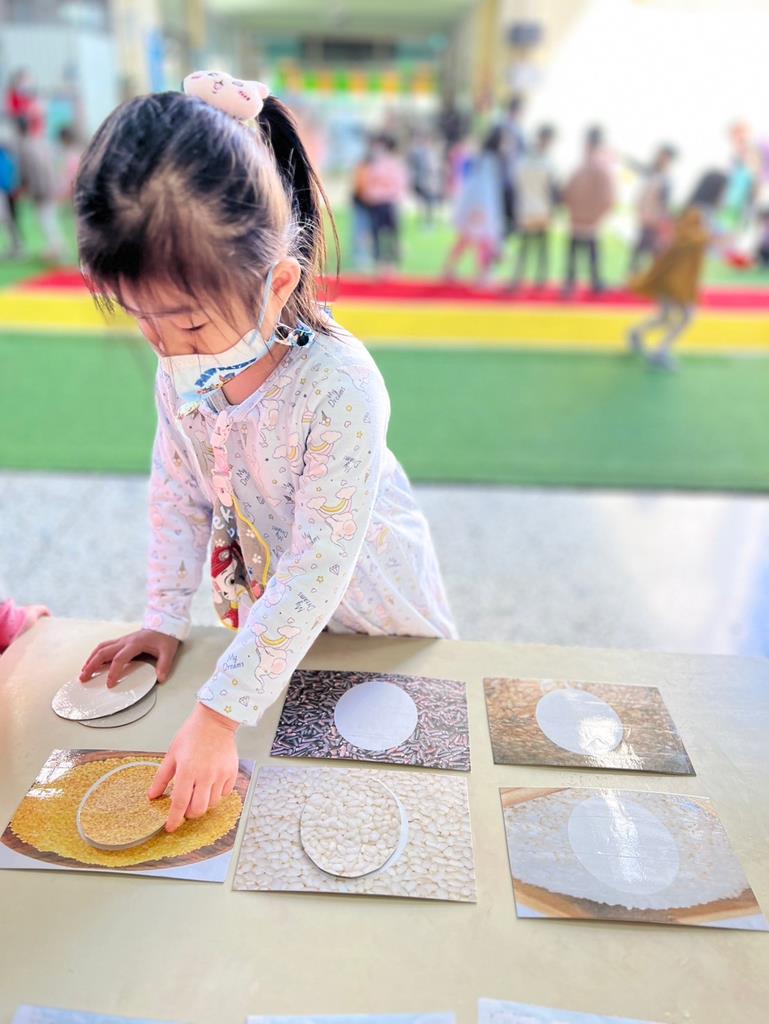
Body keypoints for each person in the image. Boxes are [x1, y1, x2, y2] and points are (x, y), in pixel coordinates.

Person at [74, 71, 456, 833]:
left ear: (278, 283)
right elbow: (177, 489)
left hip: (376, 623)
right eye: (143, 320)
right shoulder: (183, 369)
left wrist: (220, 716)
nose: (166, 348)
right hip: (272, 635)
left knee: (382, 803)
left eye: (187, 324)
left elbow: (318, 567)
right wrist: (163, 616)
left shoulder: (339, 387)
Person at [627, 171, 727, 371]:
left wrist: (713, 239)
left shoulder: (699, 210)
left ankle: (637, 334)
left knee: (666, 316)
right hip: (676, 275)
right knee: (687, 315)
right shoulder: (697, 212)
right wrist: (712, 239)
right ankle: (660, 350)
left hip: (678, 274)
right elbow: (686, 239)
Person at [444, 126, 505, 287]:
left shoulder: (480, 158)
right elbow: (485, 187)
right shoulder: (491, 161)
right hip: (482, 206)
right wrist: (482, 208)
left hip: (473, 204)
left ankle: (450, 269)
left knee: (467, 238)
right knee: (484, 240)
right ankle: (483, 274)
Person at [562, 126, 615, 297]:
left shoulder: (599, 167)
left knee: (589, 255)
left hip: (589, 220)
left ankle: (593, 284)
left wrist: (597, 215)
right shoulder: (581, 166)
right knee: (577, 255)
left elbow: (607, 197)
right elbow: (569, 192)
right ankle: (575, 284)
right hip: (579, 218)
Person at [509, 125, 558, 289]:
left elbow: (515, 183)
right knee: (534, 246)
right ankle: (535, 279)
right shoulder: (547, 162)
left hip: (528, 208)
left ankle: (526, 278)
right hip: (539, 208)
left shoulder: (524, 159)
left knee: (530, 246)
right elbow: (552, 188)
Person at [356, 133, 408, 275]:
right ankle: (380, 265)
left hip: (389, 203)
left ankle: (391, 265)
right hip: (378, 203)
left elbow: (398, 184)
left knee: (391, 235)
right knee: (377, 235)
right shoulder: (376, 163)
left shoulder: (393, 164)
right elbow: (369, 183)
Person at [16, 114, 63, 262]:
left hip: (40, 189)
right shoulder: (39, 142)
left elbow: (25, 171)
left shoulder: (24, 146)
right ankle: (56, 247)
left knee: (45, 218)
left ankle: (56, 248)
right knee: (49, 217)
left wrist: (23, 187)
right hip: (50, 186)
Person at [627, 144, 677, 275]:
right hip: (646, 218)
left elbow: (665, 203)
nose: (661, 158)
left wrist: (662, 220)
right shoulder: (653, 173)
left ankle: (651, 276)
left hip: (655, 220)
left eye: (664, 156)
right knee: (644, 249)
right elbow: (638, 167)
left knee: (649, 249)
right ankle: (637, 275)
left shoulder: (666, 179)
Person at [500, 95, 526, 237]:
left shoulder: (516, 128)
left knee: (511, 218)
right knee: (506, 215)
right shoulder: (506, 126)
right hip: (505, 178)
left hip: (512, 177)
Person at [407, 129, 443, 227]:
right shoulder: (418, 153)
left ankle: (429, 222)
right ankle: (423, 221)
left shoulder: (434, 153)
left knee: (430, 204)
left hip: (431, 182)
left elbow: (437, 169)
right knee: (422, 203)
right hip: (423, 182)